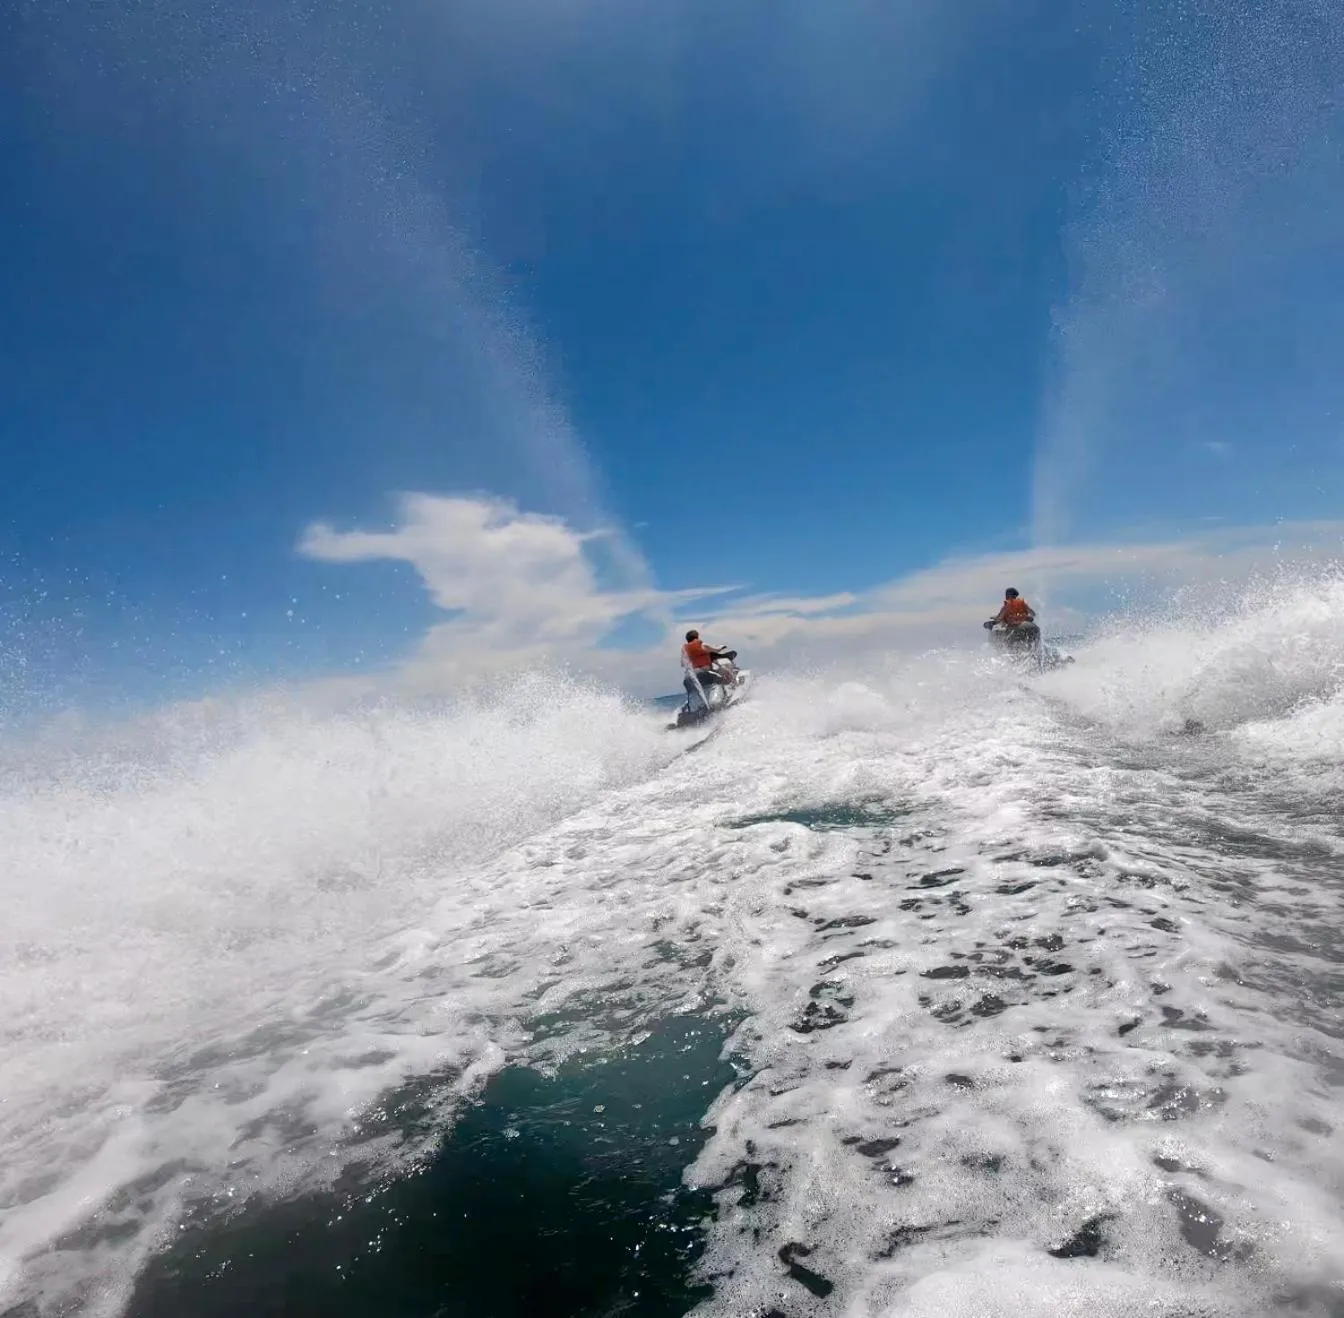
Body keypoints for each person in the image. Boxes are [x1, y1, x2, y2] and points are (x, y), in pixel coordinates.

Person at [682, 629, 737, 693]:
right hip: (707, 673)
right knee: (726, 677)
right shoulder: (702, 645)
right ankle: (735, 688)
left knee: (719, 673)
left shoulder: (685, 651)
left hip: (695, 676)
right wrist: (722, 646)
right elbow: (717, 650)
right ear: (697, 637)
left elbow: (683, 663)